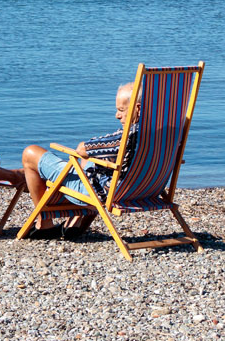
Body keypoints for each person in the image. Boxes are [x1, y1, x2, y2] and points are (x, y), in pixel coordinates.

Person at [20, 82, 138, 238]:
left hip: (104, 193)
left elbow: (83, 149)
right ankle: (75, 220)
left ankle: (45, 223)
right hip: (141, 191)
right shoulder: (167, 134)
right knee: (93, 157)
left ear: (137, 108)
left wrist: (86, 148)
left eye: (121, 110)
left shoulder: (127, 137)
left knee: (30, 154)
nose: (117, 115)